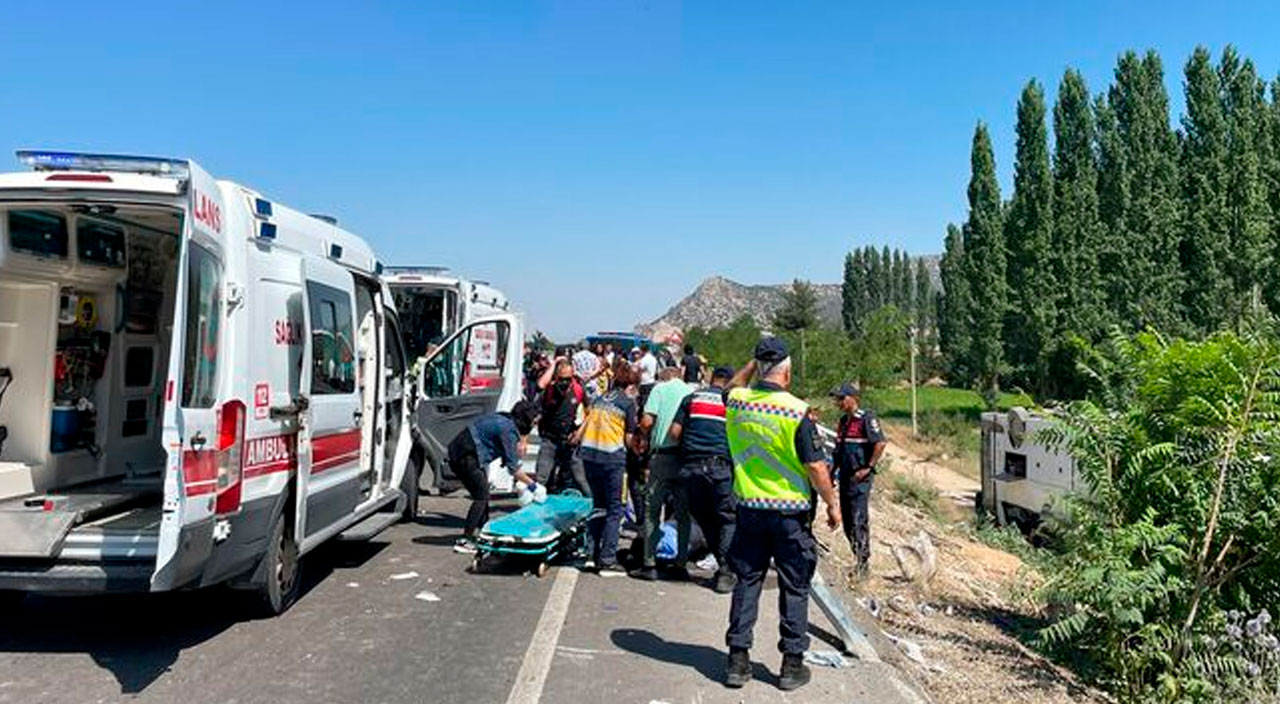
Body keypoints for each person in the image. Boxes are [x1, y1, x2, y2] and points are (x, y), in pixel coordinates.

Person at [722, 337, 841, 692]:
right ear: (787, 371)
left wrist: (754, 361)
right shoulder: (796, 411)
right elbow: (816, 467)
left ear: (758, 367)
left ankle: (737, 661)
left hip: (749, 510)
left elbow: (731, 386)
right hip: (790, 514)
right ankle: (791, 665)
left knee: (747, 582)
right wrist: (833, 505)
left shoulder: (738, 402)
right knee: (794, 586)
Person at [668, 365, 736, 593]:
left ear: (711, 378)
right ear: (729, 381)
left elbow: (674, 433)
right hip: (719, 468)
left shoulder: (691, 398)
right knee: (727, 519)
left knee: (706, 520)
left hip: (691, 468)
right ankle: (726, 571)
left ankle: (723, 567)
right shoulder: (730, 402)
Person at [448, 400, 545, 554]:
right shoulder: (508, 430)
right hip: (466, 456)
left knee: (483, 493)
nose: (534, 425)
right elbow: (513, 469)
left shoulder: (505, 418)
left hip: (462, 452)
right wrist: (533, 485)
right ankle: (465, 540)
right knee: (481, 496)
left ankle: (485, 532)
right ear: (526, 418)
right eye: (534, 422)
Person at [573, 357, 640, 576]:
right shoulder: (627, 404)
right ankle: (608, 560)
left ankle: (591, 556)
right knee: (615, 510)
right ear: (630, 386)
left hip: (590, 458)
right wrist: (641, 447)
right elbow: (629, 440)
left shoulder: (600, 399)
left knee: (598, 507)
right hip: (612, 461)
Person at [630, 367, 695, 581]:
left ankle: (649, 564)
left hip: (663, 457)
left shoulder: (660, 389)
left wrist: (641, 434)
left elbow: (647, 421)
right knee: (683, 514)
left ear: (664, 377)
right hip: (685, 458)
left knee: (652, 510)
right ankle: (681, 563)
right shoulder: (691, 392)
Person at [831, 383, 885, 580]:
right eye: (836, 399)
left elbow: (880, 443)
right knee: (847, 521)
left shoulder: (866, 418)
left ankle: (863, 564)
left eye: (841, 398)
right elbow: (838, 451)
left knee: (858, 518)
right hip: (845, 476)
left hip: (860, 477)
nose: (838, 403)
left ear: (852, 398)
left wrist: (868, 468)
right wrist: (831, 473)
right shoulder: (843, 421)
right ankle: (857, 557)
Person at [534, 358, 591, 496]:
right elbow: (540, 385)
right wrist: (553, 364)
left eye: (568, 378)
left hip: (569, 440)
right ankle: (534, 506)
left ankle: (593, 505)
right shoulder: (550, 389)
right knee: (542, 476)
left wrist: (579, 433)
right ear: (556, 377)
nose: (565, 382)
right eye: (561, 379)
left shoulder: (578, 390)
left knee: (579, 478)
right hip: (550, 439)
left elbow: (591, 414)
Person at [636, 345, 658, 409]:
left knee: (643, 402)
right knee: (649, 400)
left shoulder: (645, 359)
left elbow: (640, 369)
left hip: (644, 382)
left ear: (643, 351)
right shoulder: (654, 359)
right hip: (652, 381)